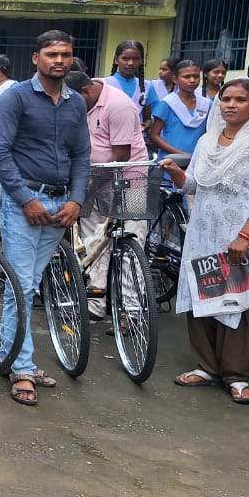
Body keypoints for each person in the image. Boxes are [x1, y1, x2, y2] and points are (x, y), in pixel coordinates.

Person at [163, 78, 249, 404]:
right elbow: (196, 186)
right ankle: (206, 367)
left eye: (240, 100)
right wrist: (178, 175)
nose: (230, 105)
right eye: (226, 99)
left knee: (238, 301)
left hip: (240, 233)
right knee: (203, 298)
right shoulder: (207, 141)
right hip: (204, 232)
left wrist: (246, 234)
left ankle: (237, 376)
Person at [0, 30, 90, 407]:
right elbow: (0, 154)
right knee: (23, 286)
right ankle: (22, 367)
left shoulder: (76, 103)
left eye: (65, 54)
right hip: (23, 204)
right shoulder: (14, 98)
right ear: (36, 58)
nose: (59, 60)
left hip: (61, 203)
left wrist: (77, 199)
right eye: (51, 54)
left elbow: (82, 155)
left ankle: (12, 356)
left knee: (30, 284)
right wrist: (26, 199)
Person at [65, 71, 149, 322]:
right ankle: (95, 303)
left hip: (131, 183)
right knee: (93, 245)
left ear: (85, 93)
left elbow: (121, 156)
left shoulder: (118, 104)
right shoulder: (83, 103)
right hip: (94, 181)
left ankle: (131, 313)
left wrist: (86, 191)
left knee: (131, 246)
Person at [149, 59, 211, 157]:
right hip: (171, 159)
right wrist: (180, 154)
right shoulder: (168, 103)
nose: (192, 80)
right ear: (175, 79)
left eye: (196, 76)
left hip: (198, 159)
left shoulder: (206, 104)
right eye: (186, 77)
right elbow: (154, 135)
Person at [105, 40, 149, 118]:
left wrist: (147, 124)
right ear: (116, 60)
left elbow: (148, 118)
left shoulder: (148, 86)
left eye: (135, 59)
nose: (130, 63)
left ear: (141, 61)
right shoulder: (104, 84)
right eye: (125, 59)